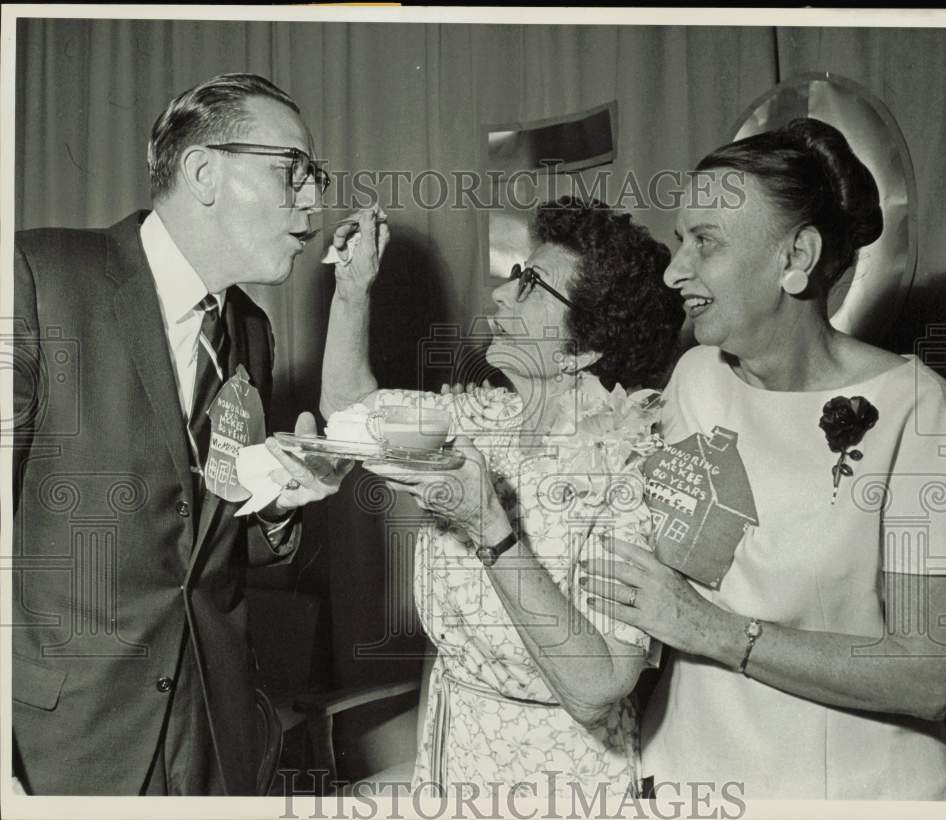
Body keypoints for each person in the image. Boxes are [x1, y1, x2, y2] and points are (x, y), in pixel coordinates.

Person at [583, 118, 946, 800]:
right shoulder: (693, 378)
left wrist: (707, 629)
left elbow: (929, 673)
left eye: (705, 243)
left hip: (855, 793)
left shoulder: (916, 408)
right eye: (680, 242)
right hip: (685, 783)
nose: (675, 271)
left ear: (796, 256)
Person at [12, 73, 351, 795]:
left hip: (214, 733)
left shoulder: (248, 333)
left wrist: (279, 503)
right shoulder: (36, 278)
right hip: (61, 740)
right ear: (203, 172)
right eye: (293, 171)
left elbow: (203, 546)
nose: (315, 204)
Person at [320, 199, 685, 800]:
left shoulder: (626, 474)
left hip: (559, 781)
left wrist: (491, 527)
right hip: (453, 752)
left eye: (533, 286)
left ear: (583, 350)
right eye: (518, 275)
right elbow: (349, 414)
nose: (501, 296)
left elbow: (599, 686)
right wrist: (353, 290)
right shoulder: (480, 419)